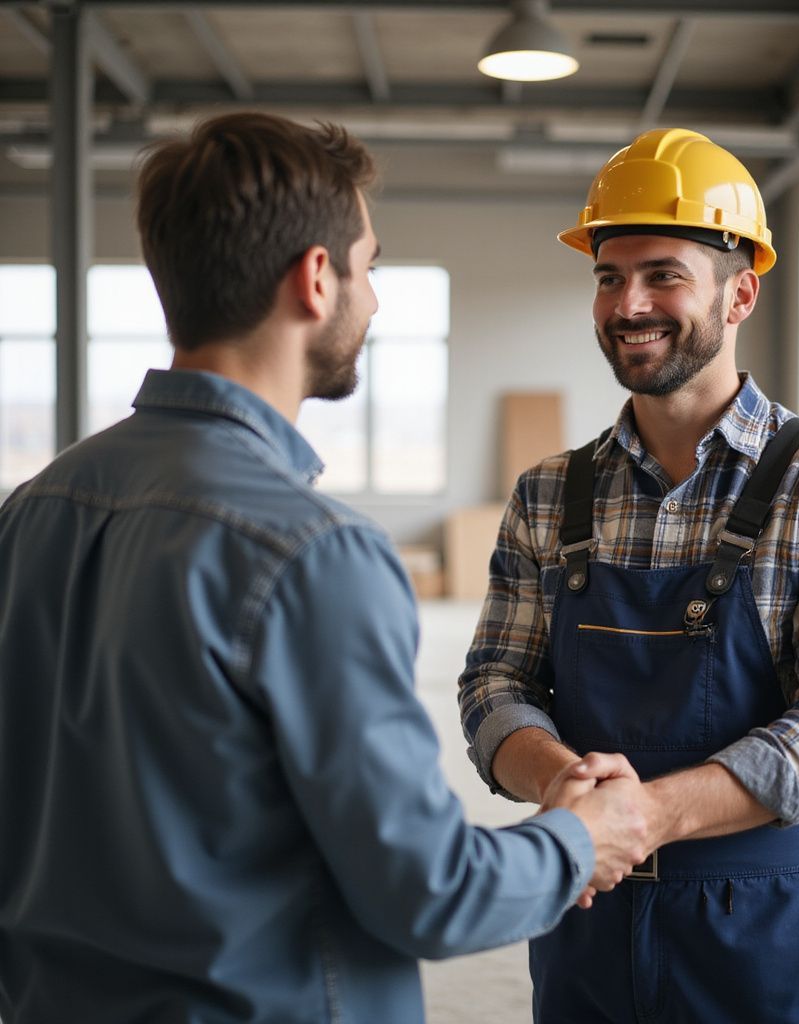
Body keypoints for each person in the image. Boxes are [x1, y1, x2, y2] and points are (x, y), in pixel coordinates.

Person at [0, 112, 653, 1024]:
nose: (376, 300)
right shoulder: (314, 555)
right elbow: (430, 891)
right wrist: (582, 840)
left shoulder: (34, 512)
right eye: (370, 266)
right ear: (316, 278)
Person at [459, 128, 799, 1022]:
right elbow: (494, 683)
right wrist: (560, 782)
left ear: (740, 291)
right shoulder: (550, 492)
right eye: (607, 275)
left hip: (767, 929)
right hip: (585, 918)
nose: (628, 303)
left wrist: (648, 816)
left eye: (663, 273)